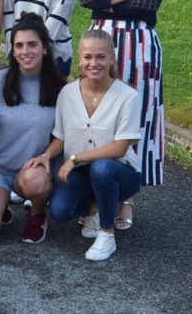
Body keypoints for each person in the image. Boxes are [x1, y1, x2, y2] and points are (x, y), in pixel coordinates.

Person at [79, 0, 165, 231]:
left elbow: (151, 4)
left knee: (137, 116)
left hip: (141, 43)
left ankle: (125, 198)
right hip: (102, 40)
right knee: (97, 113)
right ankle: (96, 197)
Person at [28, 29, 143, 261]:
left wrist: (75, 158)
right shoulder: (67, 94)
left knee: (102, 168)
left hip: (121, 172)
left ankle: (106, 233)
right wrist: (46, 157)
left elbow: (120, 148)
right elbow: (60, 137)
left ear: (112, 58)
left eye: (101, 57)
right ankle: (94, 208)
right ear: (79, 59)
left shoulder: (128, 96)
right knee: (60, 212)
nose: (94, 63)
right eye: (88, 57)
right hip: (83, 173)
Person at [0, 13, 63, 244]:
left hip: (32, 170)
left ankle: (37, 214)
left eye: (32, 44)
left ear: (45, 49)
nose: (25, 51)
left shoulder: (60, 88)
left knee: (35, 183)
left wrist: (46, 156)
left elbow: (64, 135)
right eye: (18, 45)